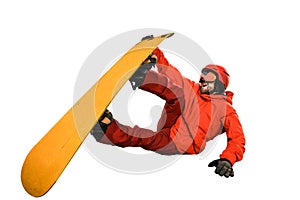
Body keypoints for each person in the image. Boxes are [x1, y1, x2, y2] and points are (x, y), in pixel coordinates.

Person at [91, 39, 246, 178]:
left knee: (145, 138)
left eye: (209, 77)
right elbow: (173, 74)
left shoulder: (226, 110)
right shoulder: (195, 90)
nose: (203, 80)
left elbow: (237, 139)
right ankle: (141, 76)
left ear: (220, 84)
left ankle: (105, 130)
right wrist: (155, 51)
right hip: (173, 124)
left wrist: (227, 159)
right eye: (202, 76)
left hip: (182, 142)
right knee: (177, 89)